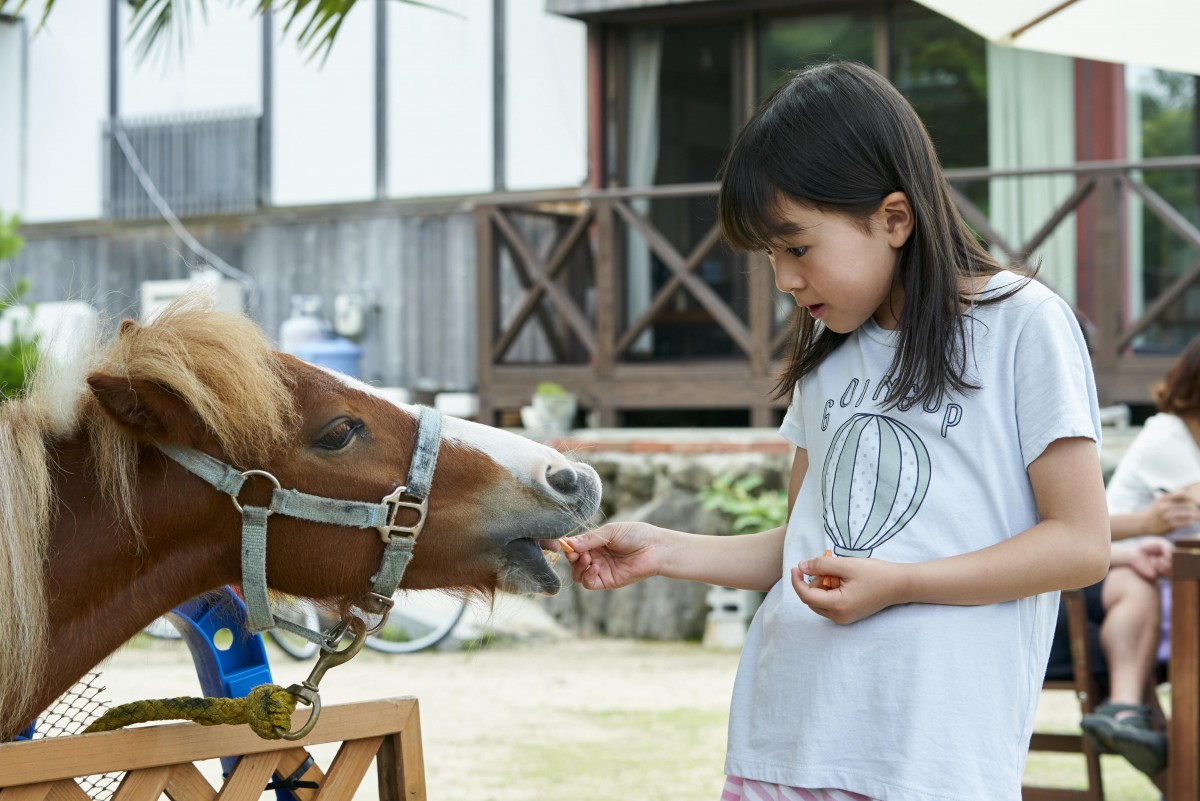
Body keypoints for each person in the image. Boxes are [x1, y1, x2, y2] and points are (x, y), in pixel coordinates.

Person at [556, 61, 1111, 801]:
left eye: (796, 247)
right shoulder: (826, 367)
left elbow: (1080, 543)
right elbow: (805, 550)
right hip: (783, 740)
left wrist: (904, 583)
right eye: (770, 256)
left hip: (929, 758)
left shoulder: (1023, 324)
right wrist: (662, 549)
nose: (784, 278)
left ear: (893, 218)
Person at [1070, 336, 1200, 776]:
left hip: (1150, 580)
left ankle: (1131, 719)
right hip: (1117, 575)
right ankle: (1133, 719)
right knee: (1137, 577)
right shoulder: (1169, 436)